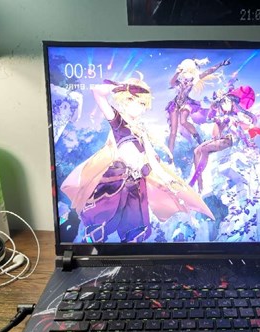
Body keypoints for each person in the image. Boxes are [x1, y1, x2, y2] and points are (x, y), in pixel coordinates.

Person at [60, 75, 213, 243]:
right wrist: (119, 88)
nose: (140, 108)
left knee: (135, 231)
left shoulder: (140, 130)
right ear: (125, 101)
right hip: (113, 182)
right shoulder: (118, 121)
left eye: (143, 104)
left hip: (136, 183)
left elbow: (150, 157)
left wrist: (165, 178)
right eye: (136, 101)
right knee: (98, 229)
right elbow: (97, 93)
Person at [166, 57, 230, 155]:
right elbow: (172, 82)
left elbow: (208, 71)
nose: (186, 81)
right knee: (173, 132)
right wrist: (177, 72)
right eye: (185, 79)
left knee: (183, 121)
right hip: (175, 104)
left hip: (186, 103)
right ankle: (169, 155)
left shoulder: (194, 80)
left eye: (188, 79)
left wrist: (221, 64)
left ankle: (199, 140)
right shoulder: (179, 82)